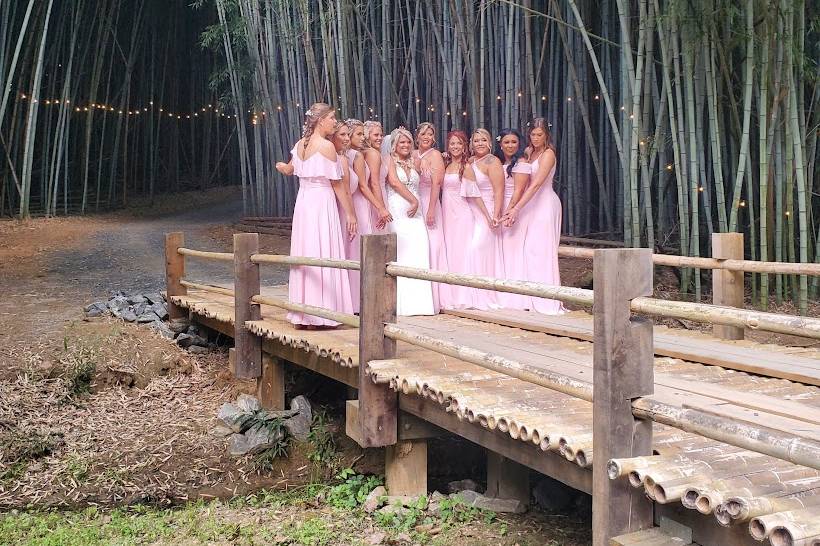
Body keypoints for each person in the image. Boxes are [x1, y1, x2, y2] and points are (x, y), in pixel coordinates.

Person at [275, 103, 357, 328]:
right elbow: (338, 185)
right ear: (321, 120)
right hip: (321, 201)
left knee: (306, 249)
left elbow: (289, 169)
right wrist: (350, 214)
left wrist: (280, 165)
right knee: (322, 248)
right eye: (332, 118)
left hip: (304, 201)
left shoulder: (300, 144)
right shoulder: (327, 147)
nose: (334, 121)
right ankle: (322, 313)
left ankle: (303, 313)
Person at [501, 118, 564, 314]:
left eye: (540, 135)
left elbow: (536, 184)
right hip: (530, 204)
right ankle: (529, 296)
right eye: (533, 134)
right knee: (527, 250)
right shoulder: (529, 152)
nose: (536, 138)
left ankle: (546, 299)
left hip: (544, 203)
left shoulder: (548, 154)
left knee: (541, 250)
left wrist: (516, 208)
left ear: (546, 135)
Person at [384, 127, 434, 316]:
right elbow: (395, 182)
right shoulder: (388, 160)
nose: (405, 145)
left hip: (416, 212)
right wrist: (413, 200)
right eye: (401, 142)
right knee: (403, 251)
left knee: (420, 248)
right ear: (394, 145)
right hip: (398, 208)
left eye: (407, 142)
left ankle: (420, 304)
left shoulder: (416, 160)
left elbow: (430, 177)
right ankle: (402, 304)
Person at [440, 130, 492, 310]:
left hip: (462, 214)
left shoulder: (466, 166)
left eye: (459, 144)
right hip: (446, 213)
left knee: (461, 252)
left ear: (464, 147)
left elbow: (474, 195)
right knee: (450, 251)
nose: (455, 147)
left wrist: (487, 215)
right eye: (452, 144)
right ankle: (450, 293)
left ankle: (463, 294)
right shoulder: (445, 163)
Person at [413, 122, 451, 313]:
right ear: (417, 136)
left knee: (433, 244)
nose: (427, 136)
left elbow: (437, 184)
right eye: (423, 133)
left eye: (430, 133)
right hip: (414, 201)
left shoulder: (435, 155)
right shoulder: (412, 154)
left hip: (430, 201)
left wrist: (431, 209)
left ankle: (437, 293)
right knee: (419, 245)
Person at [468, 128, 505, 310]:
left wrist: (495, 215)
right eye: (476, 141)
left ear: (490, 143)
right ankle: (472, 293)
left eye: (483, 140)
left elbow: (499, 190)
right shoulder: (470, 161)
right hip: (470, 210)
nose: (480, 143)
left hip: (488, 210)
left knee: (478, 247)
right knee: (469, 248)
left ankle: (484, 293)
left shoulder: (493, 161)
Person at [495, 128, 532, 309]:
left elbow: (518, 190)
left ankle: (517, 296)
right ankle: (503, 293)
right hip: (500, 208)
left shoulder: (522, 162)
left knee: (513, 251)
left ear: (519, 144)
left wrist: (509, 212)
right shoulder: (499, 162)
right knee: (501, 252)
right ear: (500, 144)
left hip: (513, 210)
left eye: (514, 142)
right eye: (506, 142)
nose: (510, 145)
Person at [362, 121, 392, 233]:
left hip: (372, 197)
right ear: (367, 136)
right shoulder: (373, 154)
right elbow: (375, 183)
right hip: (377, 198)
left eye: (381, 135)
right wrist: (381, 208)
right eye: (375, 135)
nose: (379, 138)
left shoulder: (366, 152)